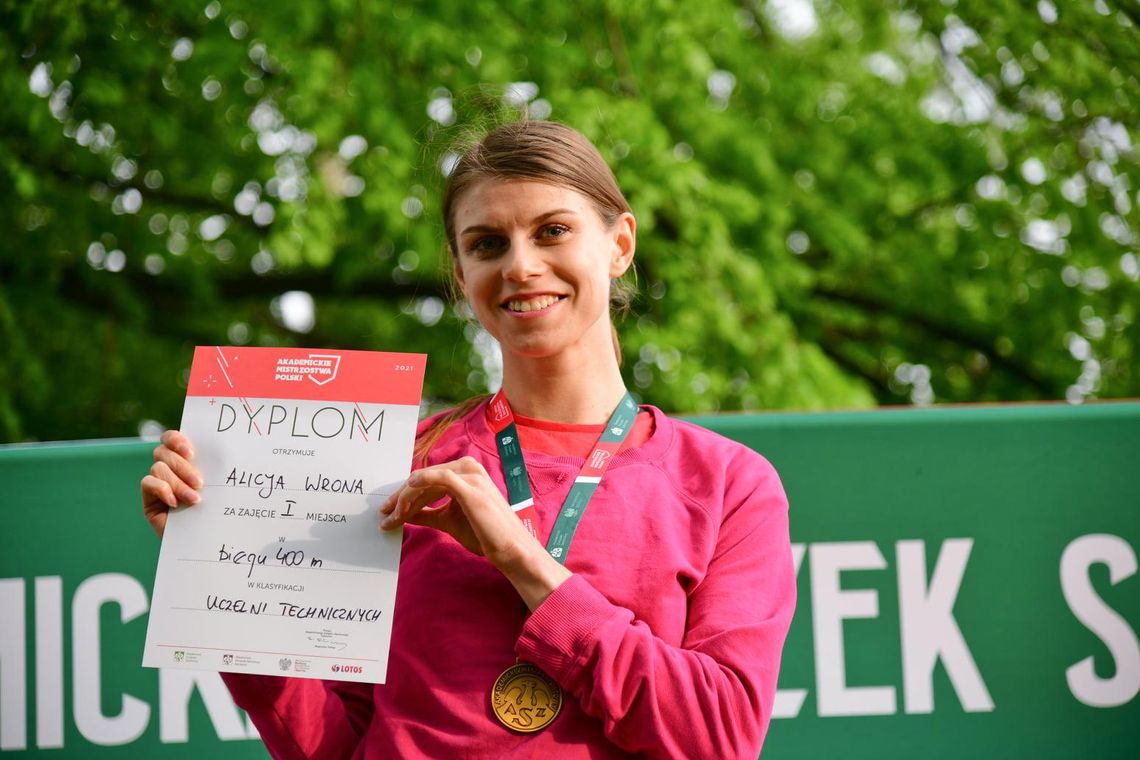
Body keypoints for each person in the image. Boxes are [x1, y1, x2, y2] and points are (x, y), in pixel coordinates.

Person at [141, 120, 796, 758]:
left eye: (553, 231)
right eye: (487, 245)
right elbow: (332, 743)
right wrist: (226, 565)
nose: (521, 266)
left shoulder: (728, 483)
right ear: (460, 273)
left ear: (620, 244)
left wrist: (521, 560)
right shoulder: (391, 466)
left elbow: (721, 734)